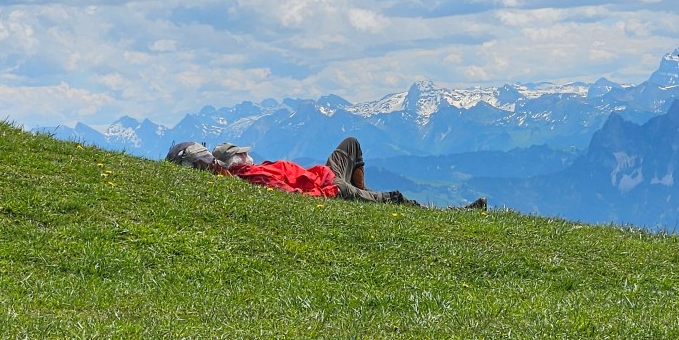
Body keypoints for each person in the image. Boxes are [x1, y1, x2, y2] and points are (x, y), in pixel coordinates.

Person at [167, 136, 487, 210]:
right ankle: (454, 213)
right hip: (329, 188)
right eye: (242, 153)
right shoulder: (252, 177)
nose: (248, 154)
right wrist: (331, 191)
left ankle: (363, 195)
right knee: (396, 198)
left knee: (351, 145)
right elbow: (289, 194)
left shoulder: (252, 170)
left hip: (325, 174)